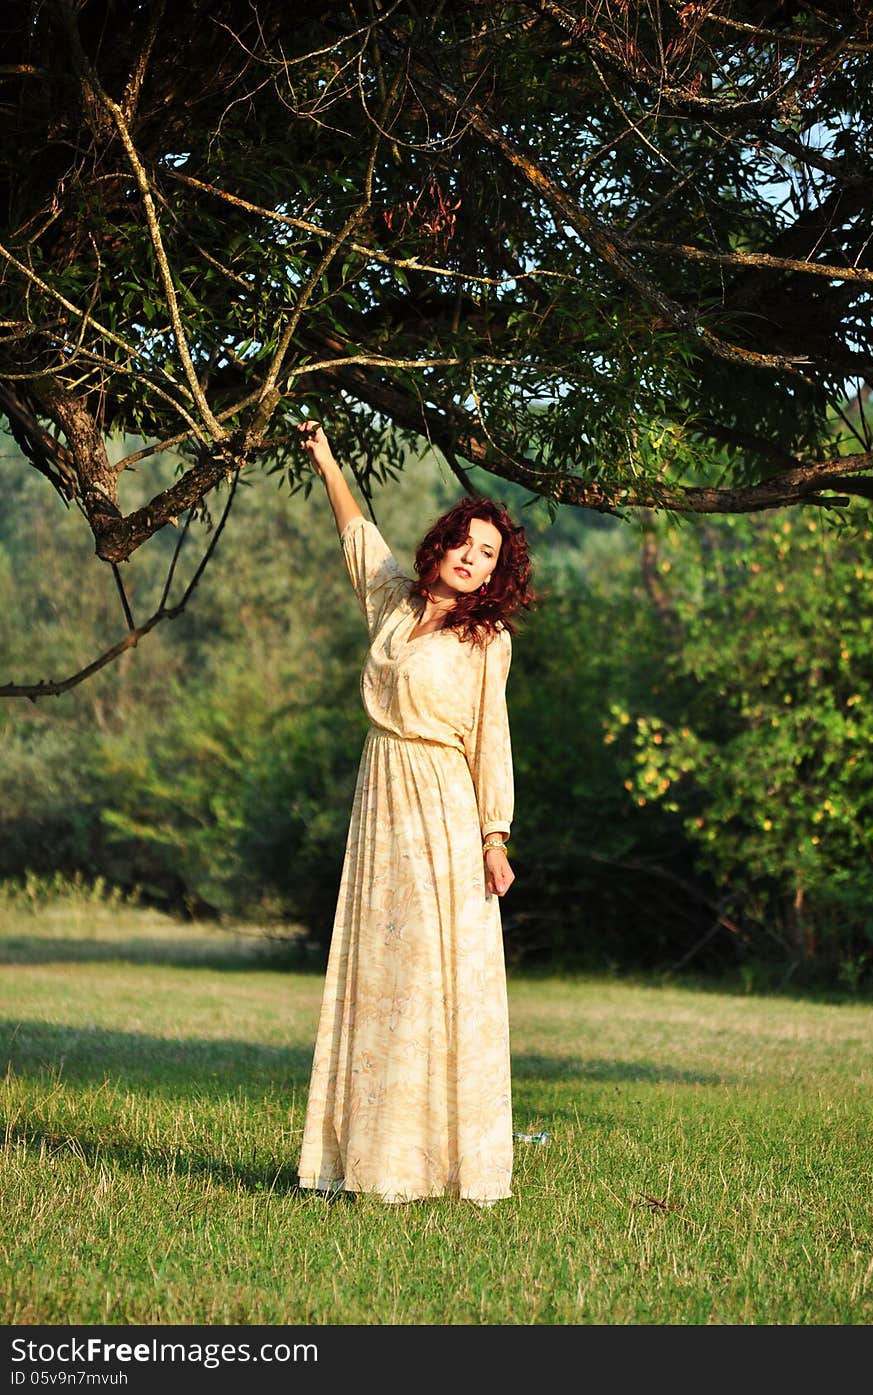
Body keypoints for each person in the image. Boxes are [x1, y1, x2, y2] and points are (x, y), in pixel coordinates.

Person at [295, 420, 535, 1206]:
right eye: (464, 542)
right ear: (440, 544)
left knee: (434, 981)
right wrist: (326, 460)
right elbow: (358, 537)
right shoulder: (395, 605)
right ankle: (370, 1161)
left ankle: (437, 1164)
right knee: (381, 974)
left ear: (497, 571)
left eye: (487, 552)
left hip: (441, 807)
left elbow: (490, 739)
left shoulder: (485, 639)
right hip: (380, 801)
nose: (472, 557)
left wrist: (493, 836)